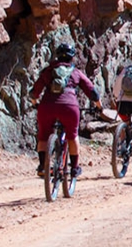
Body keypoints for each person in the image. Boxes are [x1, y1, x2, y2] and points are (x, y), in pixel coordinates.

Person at [30, 41, 102, 178]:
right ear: (72, 57)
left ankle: (42, 166)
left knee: (44, 136)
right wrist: (100, 107)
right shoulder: (76, 73)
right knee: (72, 136)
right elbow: (93, 93)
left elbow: (34, 92)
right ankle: (74, 168)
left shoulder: (49, 71)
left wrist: (35, 104)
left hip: (47, 106)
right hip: (69, 107)